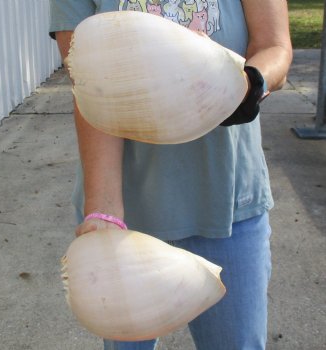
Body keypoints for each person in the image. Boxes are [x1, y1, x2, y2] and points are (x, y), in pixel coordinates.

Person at [49, 1, 292, 349]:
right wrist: (103, 213)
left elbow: (275, 46)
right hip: (125, 215)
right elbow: (90, 86)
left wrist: (249, 84)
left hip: (230, 202)